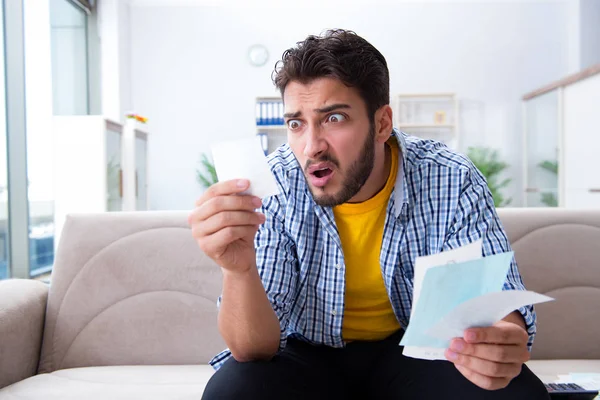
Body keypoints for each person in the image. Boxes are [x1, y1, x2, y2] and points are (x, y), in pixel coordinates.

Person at [189, 29, 549, 400]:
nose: (311, 146)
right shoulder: (276, 185)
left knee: (515, 393)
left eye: (334, 119)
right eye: (296, 124)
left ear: (381, 123)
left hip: (415, 354)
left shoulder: (449, 175)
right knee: (233, 391)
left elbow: (495, 297)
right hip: (307, 354)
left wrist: (501, 340)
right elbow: (254, 350)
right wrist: (239, 269)